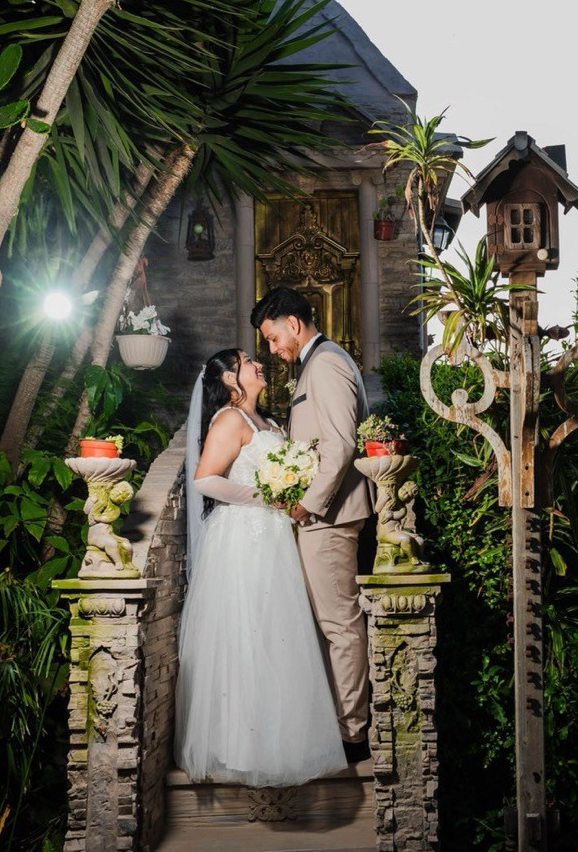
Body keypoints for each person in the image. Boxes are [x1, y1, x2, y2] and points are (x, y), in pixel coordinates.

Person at [174, 348, 346, 786]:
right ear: (231, 379)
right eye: (248, 362)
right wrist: (269, 497)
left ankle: (280, 741)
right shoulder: (230, 420)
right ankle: (239, 746)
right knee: (248, 633)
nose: (258, 365)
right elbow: (205, 479)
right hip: (243, 537)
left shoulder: (268, 422)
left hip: (274, 536)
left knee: (277, 633)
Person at [251, 287, 374, 763]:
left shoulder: (326, 363)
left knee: (339, 625)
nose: (273, 348)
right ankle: (339, 723)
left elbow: (341, 445)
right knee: (328, 623)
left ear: (293, 323)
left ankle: (352, 735)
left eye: (273, 336)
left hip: (330, 517)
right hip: (323, 517)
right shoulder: (316, 362)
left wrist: (306, 504)